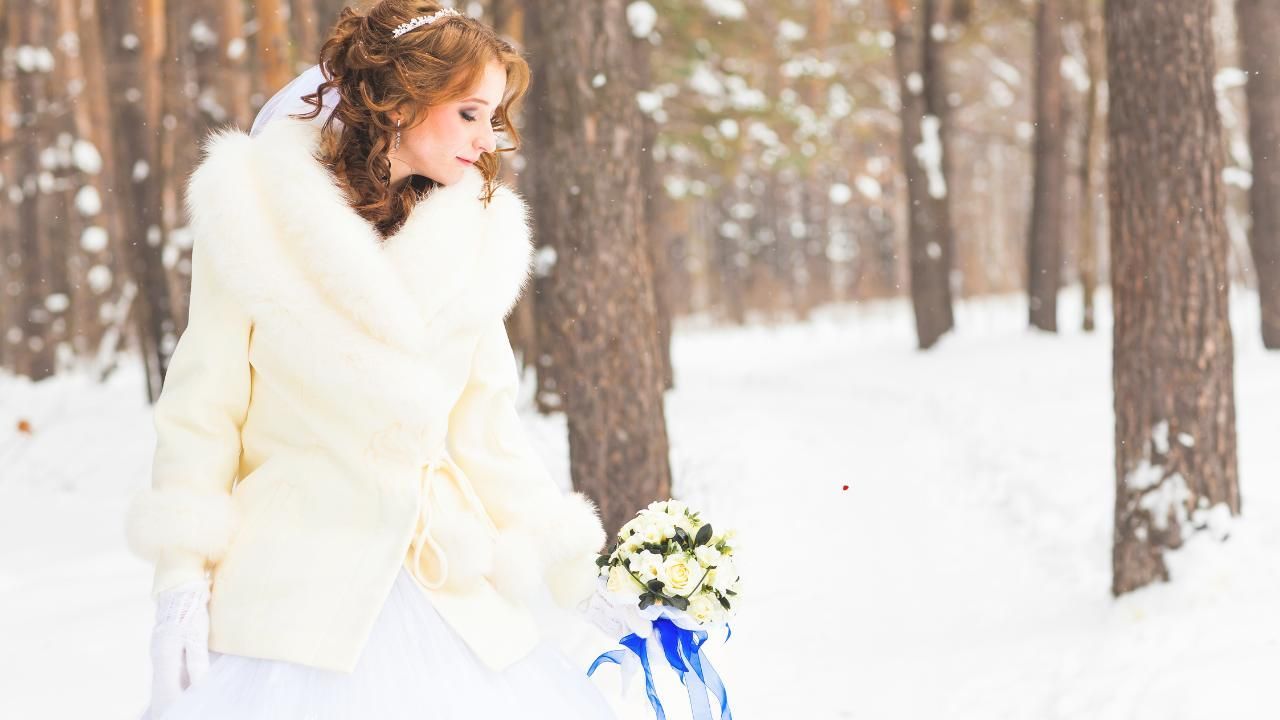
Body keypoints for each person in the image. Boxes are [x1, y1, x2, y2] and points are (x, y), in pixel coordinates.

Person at [123, 2, 617, 717]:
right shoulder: (253, 212)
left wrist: (582, 577)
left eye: (493, 117)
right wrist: (179, 581)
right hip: (292, 600)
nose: (488, 140)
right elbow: (202, 415)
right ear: (400, 100)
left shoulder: (476, 241)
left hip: (446, 589)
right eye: (469, 113)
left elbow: (488, 434)